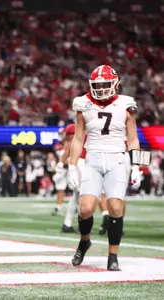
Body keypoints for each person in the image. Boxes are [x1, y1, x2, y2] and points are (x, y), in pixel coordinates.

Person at [67, 65, 149, 271]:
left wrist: (138, 167)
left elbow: (133, 138)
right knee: (85, 208)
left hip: (117, 159)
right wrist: (71, 166)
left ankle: (113, 255)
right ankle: (84, 241)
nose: (102, 89)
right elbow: (78, 138)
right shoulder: (83, 103)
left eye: (105, 84)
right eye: (98, 85)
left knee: (115, 207)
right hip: (93, 157)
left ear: (115, 84)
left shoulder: (126, 104)